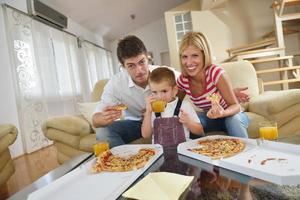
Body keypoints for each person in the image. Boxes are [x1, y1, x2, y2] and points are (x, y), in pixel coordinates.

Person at [93, 35, 249, 148]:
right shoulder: (115, 84)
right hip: (138, 124)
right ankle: (127, 164)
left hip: (178, 118)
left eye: (142, 62)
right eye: (131, 65)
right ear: (122, 66)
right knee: (103, 132)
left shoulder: (165, 74)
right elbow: (96, 119)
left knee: (191, 122)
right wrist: (103, 118)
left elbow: (180, 93)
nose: (139, 70)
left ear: (148, 58)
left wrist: (225, 93)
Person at [177, 31, 249, 138]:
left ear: (204, 55)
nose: (188, 62)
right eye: (184, 57)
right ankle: (199, 152)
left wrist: (222, 113)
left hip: (231, 115)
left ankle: (245, 154)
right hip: (210, 119)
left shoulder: (216, 74)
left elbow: (236, 106)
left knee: (233, 120)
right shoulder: (183, 81)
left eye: (195, 56)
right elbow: (174, 106)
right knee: (191, 120)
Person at [141, 67, 204, 146]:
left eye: (164, 91)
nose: (160, 96)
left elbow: (200, 131)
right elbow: (146, 135)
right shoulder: (152, 109)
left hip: (182, 149)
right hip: (159, 151)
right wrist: (148, 112)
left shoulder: (185, 106)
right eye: (154, 92)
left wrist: (189, 122)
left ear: (175, 90)